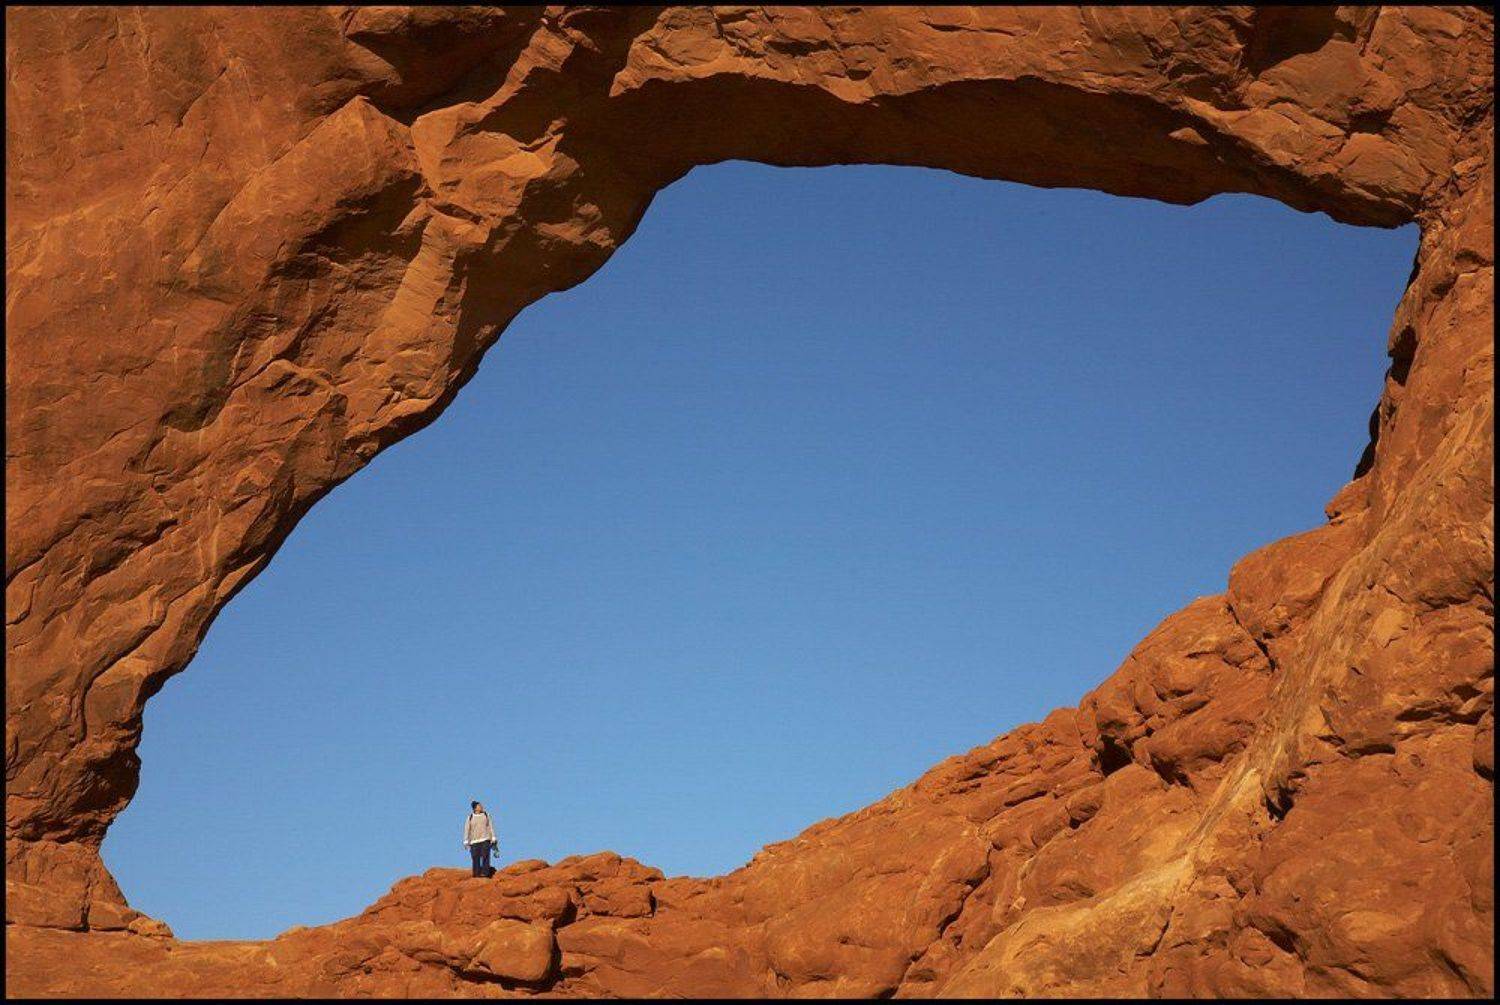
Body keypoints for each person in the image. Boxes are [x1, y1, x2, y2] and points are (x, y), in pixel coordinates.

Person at [463, 800, 498, 877]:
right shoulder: (470, 817)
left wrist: (493, 837)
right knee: (475, 858)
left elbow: (491, 826)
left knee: (485, 856)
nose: (481, 807)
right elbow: (467, 829)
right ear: (475, 808)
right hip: (474, 841)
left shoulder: (486, 815)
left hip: (485, 838)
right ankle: (476, 874)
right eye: (479, 806)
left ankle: (485, 873)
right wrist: (465, 841)